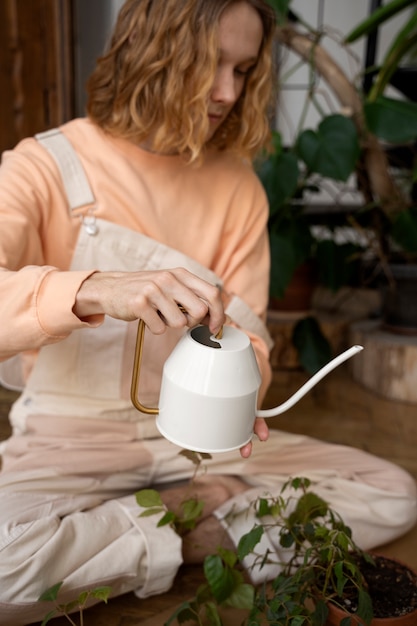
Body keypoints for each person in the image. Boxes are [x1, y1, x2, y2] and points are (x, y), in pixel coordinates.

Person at [0, 1, 415, 624]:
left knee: (392, 494)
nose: (227, 91)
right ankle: (195, 527)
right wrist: (94, 289)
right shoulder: (42, 166)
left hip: (197, 441)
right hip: (72, 434)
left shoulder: (239, 186)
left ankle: (140, 530)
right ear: (150, 50)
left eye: (244, 70)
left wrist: (244, 391)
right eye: (210, 63)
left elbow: (252, 337)